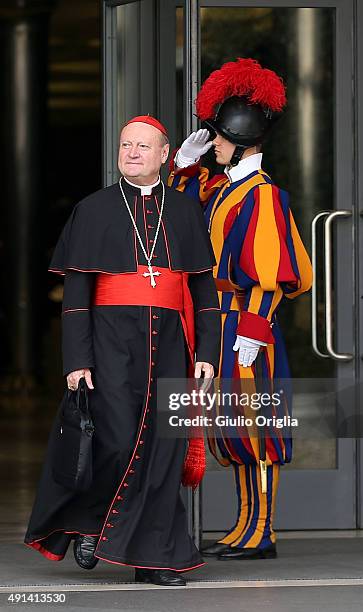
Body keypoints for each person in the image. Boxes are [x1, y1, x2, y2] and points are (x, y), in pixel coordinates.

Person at [24, 115, 221, 587]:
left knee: (163, 450)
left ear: (163, 155)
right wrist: (77, 362)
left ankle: (154, 558)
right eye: (125, 145)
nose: (131, 152)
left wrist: (208, 352)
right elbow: (76, 295)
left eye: (141, 146)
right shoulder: (92, 210)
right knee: (114, 442)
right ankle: (92, 523)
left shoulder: (185, 209)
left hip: (173, 341)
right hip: (110, 342)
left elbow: (204, 290)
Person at [169, 58, 313, 560]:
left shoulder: (262, 194)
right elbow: (185, 213)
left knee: (256, 431)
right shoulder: (226, 188)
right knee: (234, 430)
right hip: (223, 324)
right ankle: (245, 527)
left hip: (246, 326)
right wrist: (185, 167)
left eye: (217, 135)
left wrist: (252, 329)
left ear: (238, 135)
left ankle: (262, 532)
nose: (213, 144)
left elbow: (269, 271)